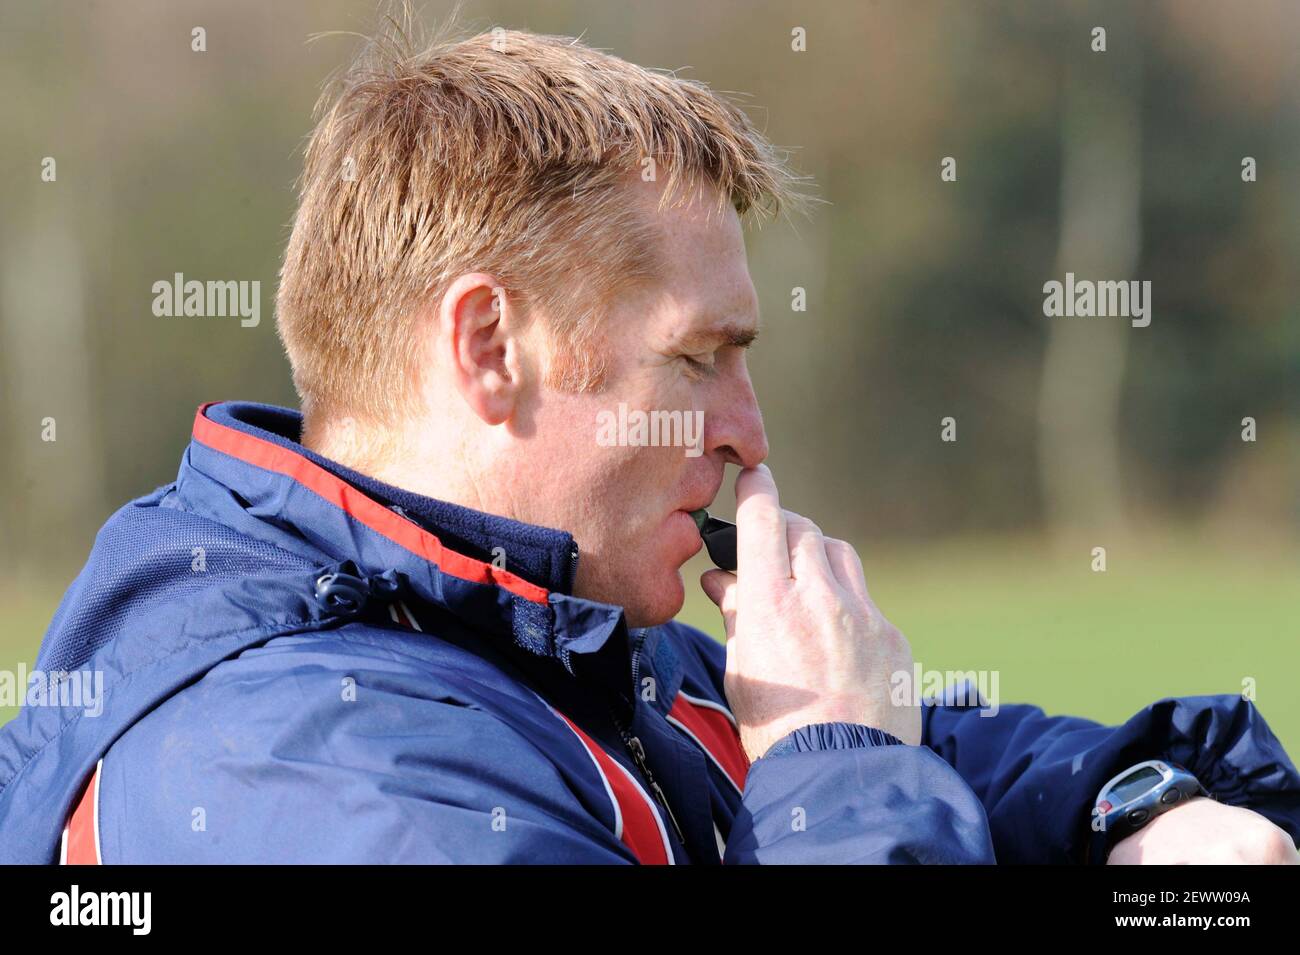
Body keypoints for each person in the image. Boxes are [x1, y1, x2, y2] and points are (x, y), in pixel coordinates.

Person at [1, 27, 1296, 865]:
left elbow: (957, 759)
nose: (747, 435)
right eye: (698, 358)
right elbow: (846, 775)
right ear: (488, 350)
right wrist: (839, 758)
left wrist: (1147, 812)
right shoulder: (311, 774)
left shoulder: (552, 638)